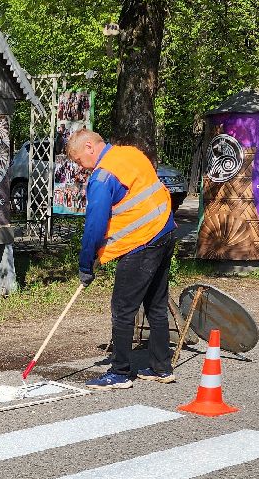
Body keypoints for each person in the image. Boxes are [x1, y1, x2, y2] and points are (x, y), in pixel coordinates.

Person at [66, 128, 177, 389]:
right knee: (156, 304)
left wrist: (86, 264)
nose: (80, 167)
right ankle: (161, 368)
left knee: (123, 308)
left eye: (79, 160)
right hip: (165, 231)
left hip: (142, 243)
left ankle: (120, 372)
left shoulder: (103, 177)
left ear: (90, 147)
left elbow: (94, 226)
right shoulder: (131, 154)